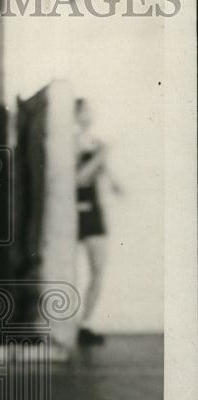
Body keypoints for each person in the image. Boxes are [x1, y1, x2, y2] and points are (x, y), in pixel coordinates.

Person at [74, 98, 123, 346]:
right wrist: (101, 156)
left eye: (90, 110)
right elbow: (78, 179)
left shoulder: (95, 143)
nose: (89, 115)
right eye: (84, 110)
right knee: (67, 272)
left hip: (92, 211)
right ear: (75, 114)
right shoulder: (70, 142)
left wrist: (115, 183)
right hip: (73, 212)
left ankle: (86, 323)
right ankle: (64, 323)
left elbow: (105, 175)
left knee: (98, 270)